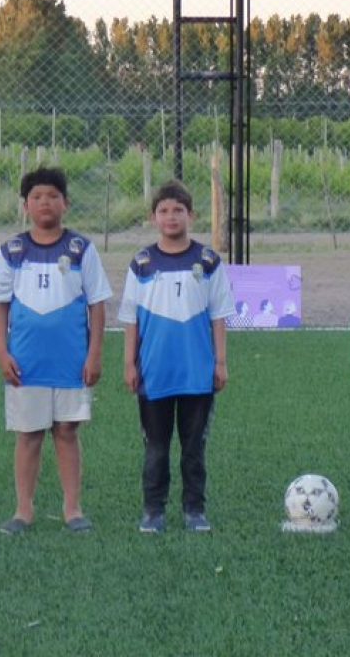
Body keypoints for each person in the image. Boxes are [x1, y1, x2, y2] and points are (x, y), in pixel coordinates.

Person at [0, 168, 112, 535]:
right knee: (28, 435)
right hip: (26, 361)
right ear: (26, 205)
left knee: (67, 432)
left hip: (71, 361)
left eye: (53, 196)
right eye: (37, 197)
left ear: (66, 203)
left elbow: (97, 305)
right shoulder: (12, 251)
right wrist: (1, 352)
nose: (45, 202)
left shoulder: (81, 249)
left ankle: (72, 509)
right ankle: (23, 510)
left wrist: (94, 354)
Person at [119, 180, 235, 533]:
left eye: (178, 210)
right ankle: (153, 511)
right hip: (155, 371)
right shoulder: (141, 263)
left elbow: (219, 316)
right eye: (164, 211)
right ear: (153, 217)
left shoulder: (208, 261)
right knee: (155, 447)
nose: (171, 217)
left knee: (193, 447)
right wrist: (129, 362)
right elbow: (130, 318)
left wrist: (220, 361)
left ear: (191, 215)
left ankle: (194, 510)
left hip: (196, 371)